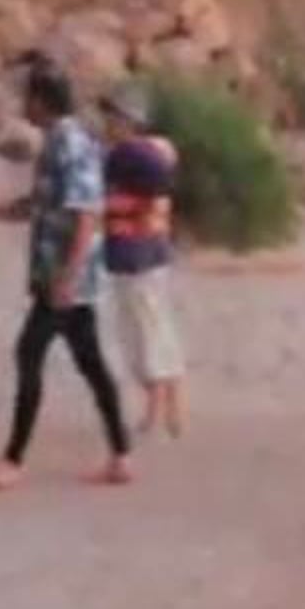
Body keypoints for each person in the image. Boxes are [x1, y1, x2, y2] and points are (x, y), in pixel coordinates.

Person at [0, 63, 132, 490]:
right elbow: (45, 203)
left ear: (42, 102)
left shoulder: (69, 143)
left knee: (30, 355)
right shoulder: (59, 142)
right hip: (61, 275)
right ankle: (120, 455)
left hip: (66, 279)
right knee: (92, 365)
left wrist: (67, 276)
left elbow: (86, 215)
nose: (23, 104)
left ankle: (13, 460)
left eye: (28, 97)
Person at [99, 84, 186, 439]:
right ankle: (167, 406)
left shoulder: (131, 154)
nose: (108, 122)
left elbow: (159, 179)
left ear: (128, 121)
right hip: (142, 257)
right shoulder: (137, 153)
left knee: (144, 333)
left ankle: (161, 408)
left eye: (113, 116)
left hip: (138, 258)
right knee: (150, 330)